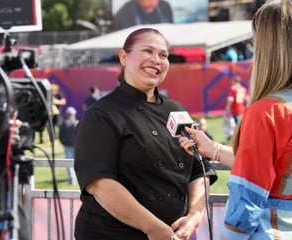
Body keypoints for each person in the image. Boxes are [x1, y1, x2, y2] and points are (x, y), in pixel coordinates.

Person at [178, 0, 292, 239]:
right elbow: (280, 173)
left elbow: (246, 203)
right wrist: (214, 149)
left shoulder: (269, 111)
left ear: (268, 47)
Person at [73, 28, 217, 240]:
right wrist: (153, 228)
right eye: (148, 51)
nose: (156, 60)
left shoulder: (175, 109)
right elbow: (100, 184)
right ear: (124, 57)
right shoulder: (101, 114)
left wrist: (194, 216)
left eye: (163, 55)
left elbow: (199, 169)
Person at [58, 106, 78, 185]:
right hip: (76, 145)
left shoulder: (64, 123)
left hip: (67, 145)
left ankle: (72, 179)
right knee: (76, 162)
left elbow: (60, 135)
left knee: (68, 162)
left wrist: (63, 143)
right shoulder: (76, 122)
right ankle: (76, 178)